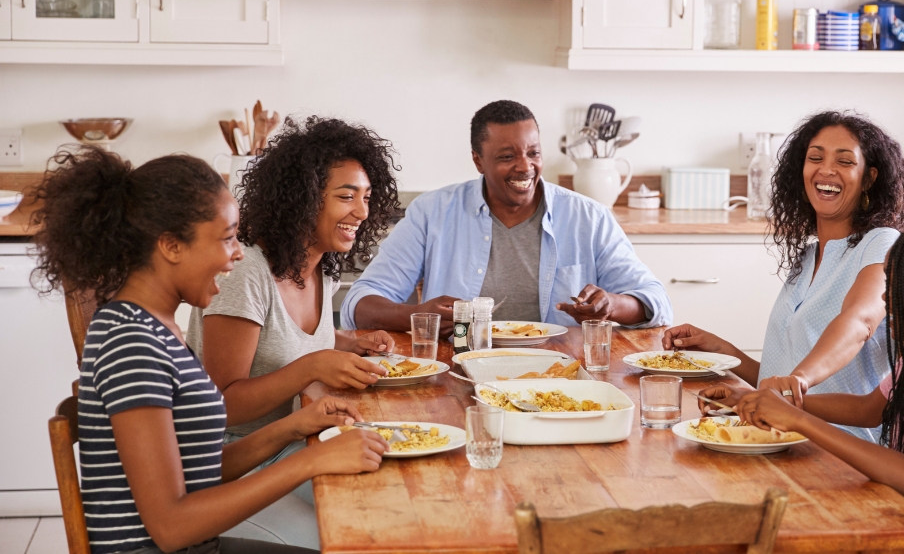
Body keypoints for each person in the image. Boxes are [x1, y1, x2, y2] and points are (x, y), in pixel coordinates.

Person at [31, 148, 387, 554]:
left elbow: (198, 471)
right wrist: (308, 462)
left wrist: (295, 426)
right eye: (226, 238)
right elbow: (170, 527)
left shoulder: (158, 328)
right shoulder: (131, 341)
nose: (238, 253)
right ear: (171, 246)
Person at [702, 216, 904, 554]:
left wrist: (798, 419)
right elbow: (868, 409)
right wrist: (767, 399)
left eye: (894, 285)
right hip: (889, 522)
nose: (885, 297)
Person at [662, 111, 904, 441]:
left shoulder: (882, 243)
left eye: (844, 161)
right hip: (784, 439)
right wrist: (721, 350)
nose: (826, 170)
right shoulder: (808, 257)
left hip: (842, 452)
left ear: (869, 178)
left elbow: (861, 322)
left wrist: (799, 379)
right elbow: (780, 383)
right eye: (815, 158)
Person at [341, 100, 671, 331]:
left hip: (562, 373)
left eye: (533, 152)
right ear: (478, 161)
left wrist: (611, 305)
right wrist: (416, 315)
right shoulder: (432, 213)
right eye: (507, 156)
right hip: (460, 368)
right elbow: (359, 304)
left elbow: (656, 302)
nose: (525, 166)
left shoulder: (588, 217)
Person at [188, 117, 402, 464]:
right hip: (234, 457)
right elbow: (222, 405)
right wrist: (312, 366)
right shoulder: (245, 273)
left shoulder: (320, 265)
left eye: (367, 197)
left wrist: (350, 343)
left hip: (298, 440)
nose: (362, 211)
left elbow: (285, 338)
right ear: (302, 200)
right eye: (347, 196)